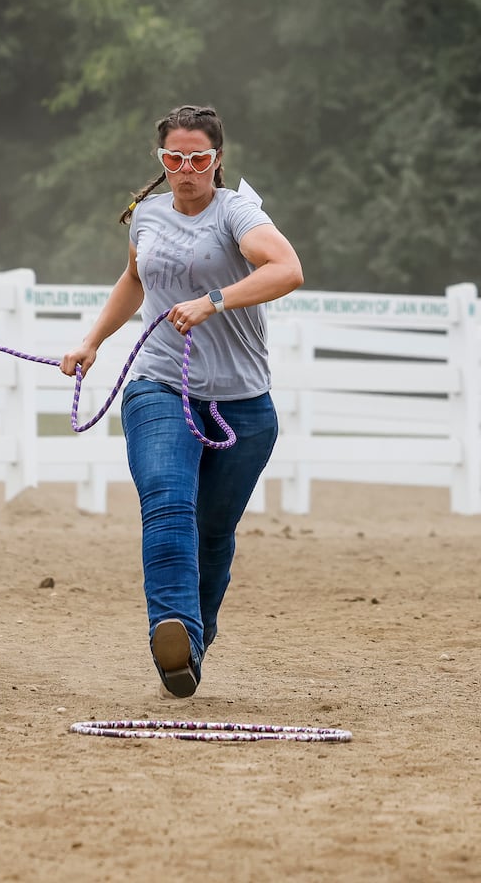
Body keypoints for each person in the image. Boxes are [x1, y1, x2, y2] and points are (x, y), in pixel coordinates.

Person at [60, 105, 304, 699]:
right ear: (160, 160)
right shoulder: (146, 216)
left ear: (216, 160)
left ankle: (193, 639)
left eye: (198, 159)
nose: (186, 169)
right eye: (175, 158)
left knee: (214, 532)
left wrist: (213, 300)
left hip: (243, 405)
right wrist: (92, 341)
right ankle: (170, 630)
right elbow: (135, 281)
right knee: (169, 504)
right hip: (161, 384)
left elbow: (288, 269)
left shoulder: (237, 214)